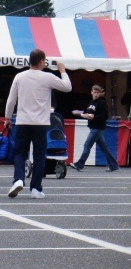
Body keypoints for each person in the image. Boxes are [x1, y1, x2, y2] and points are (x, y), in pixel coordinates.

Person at [4, 49, 72, 199]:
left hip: (22, 121)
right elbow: (67, 87)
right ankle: (36, 188)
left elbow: (11, 100)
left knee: (20, 153)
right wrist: (62, 71)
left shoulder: (19, 76)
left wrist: (8, 117)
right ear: (41, 61)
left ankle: (19, 179)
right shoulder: (47, 77)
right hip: (41, 123)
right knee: (39, 156)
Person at [71, 85, 120, 172]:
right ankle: (113, 165)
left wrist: (94, 117)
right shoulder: (91, 102)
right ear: (91, 92)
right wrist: (81, 113)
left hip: (97, 127)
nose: (96, 94)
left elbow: (105, 116)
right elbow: (88, 112)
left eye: (98, 93)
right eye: (95, 92)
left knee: (87, 145)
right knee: (104, 148)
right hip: (94, 127)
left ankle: (80, 164)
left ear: (100, 93)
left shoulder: (102, 102)